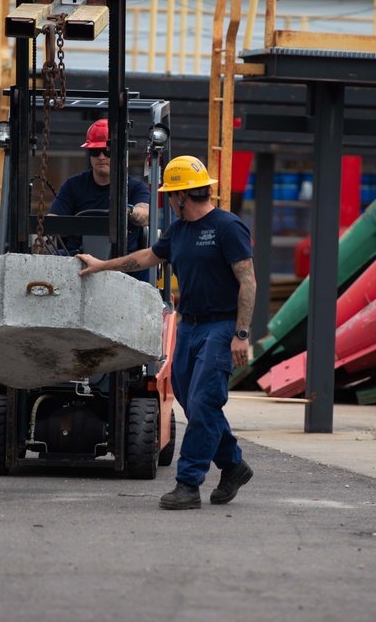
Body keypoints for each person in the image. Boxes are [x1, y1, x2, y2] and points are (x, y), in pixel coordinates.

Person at [76, 155, 257, 510]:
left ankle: (188, 484)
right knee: (193, 402)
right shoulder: (178, 231)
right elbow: (145, 258)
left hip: (221, 327)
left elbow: (247, 281)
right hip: (188, 327)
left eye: (170, 196)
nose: (169, 202)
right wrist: (102, 267)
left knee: (205, 404)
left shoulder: (227, 227)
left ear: (182, 197)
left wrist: (241, 333)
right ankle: (233, 465)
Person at [48, 119, 151, 280]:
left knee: (145, 264)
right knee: (51, 261)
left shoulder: (135, 187)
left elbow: (146, 215)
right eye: (95, 152)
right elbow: (52, 221)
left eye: (107, 151)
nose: (101, 157)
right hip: (78, 258)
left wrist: (128, 212)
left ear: (119, 152)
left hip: (123, 261)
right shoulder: (73, 185)